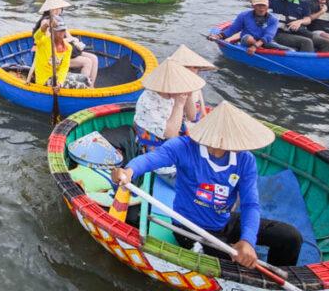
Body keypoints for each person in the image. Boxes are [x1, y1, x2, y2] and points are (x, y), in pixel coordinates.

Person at [113, 101, 303, 267]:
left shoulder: (245, 160)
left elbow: (250, 204)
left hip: (223, 221)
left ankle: (275, 286)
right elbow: (151, 159)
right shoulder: (184, 147)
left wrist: (247, 240)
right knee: (234, 264)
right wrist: (128, 171)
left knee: (290, 238)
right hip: (189, 228)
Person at [132, 59, 206, 175]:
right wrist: (179, 104)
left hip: (175, 140)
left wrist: (189, 95)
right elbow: (170, 134)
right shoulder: (149, 101)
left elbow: (192, 117)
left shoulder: (174, 93)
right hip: (156, 149)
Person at [33, 0, 98, 85]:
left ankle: (91, 86)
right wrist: (68, 40)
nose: (57, 11)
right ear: (49, 10)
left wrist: (75, 41)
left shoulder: (60, 20)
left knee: (94, 58)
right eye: (54, 8)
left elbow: (69, 36)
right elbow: (49, 41)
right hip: (52, 57)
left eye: (58, 8)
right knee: (87, 62)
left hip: (64, 50)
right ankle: (84, 89)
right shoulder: (46, 21)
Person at [248, 0, 320, 52]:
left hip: (299, 32)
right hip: (279, 32)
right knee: (307, 42)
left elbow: (308, 20)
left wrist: (300, 22)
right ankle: (306, 63)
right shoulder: (275, 0)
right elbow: (254, 1)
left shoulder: (304, 4)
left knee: (326, 42)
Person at [208, 0, 279, 54]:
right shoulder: (244, 15)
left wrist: (255, 46)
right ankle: (261, 49)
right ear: (253, 6)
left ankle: (261, 48)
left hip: (264, 42)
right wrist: (218, 36)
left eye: (263, 5)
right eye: (258, 6)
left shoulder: (273, 20)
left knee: (285, 49)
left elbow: (268, 36)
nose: (261, 8)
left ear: (267, 6)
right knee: (248, 38)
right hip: (246, 41)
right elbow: (233, 29)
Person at [34, 16, 91, 89]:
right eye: (59, 31)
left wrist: (60, 82)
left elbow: (64, 67)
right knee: (83, 87)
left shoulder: (68, 47)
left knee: (86, 79)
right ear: (53, 31)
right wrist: (46, 25)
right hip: (44, 79)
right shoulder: (43, 41)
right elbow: (37, 36)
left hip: (57, 76)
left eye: (63, 30)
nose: (61, 33)